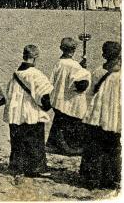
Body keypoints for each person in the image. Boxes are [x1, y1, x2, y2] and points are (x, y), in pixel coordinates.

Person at [3, 45, 53, 177]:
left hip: (15, 114)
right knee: (34, 141)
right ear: (35, 58)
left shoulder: (15, 74)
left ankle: (16, 166)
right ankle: (35, 168)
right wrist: (46, 107)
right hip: (31, 113)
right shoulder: (36, 74)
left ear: (23, 56)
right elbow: (45, 96)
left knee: (17, 142)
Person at [80, 41, 121, 190]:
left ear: (104, 54)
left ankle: (92, 178)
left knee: (95, 146)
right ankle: (114, 179)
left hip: (98, 114)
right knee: (114, 147)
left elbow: (90, 93)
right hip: (117, 115)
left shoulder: (98, 72)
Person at [46, 38, 91, 155]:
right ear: (74, 50)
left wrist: (80, 68)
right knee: (74, 122)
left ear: (61, 48)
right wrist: (83, 71)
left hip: (58, 99)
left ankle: (53, 144)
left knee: (59, 122)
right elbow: (82, 84)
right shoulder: (75, 66)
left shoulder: (59, 63)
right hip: (71, 100)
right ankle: (71, 147)